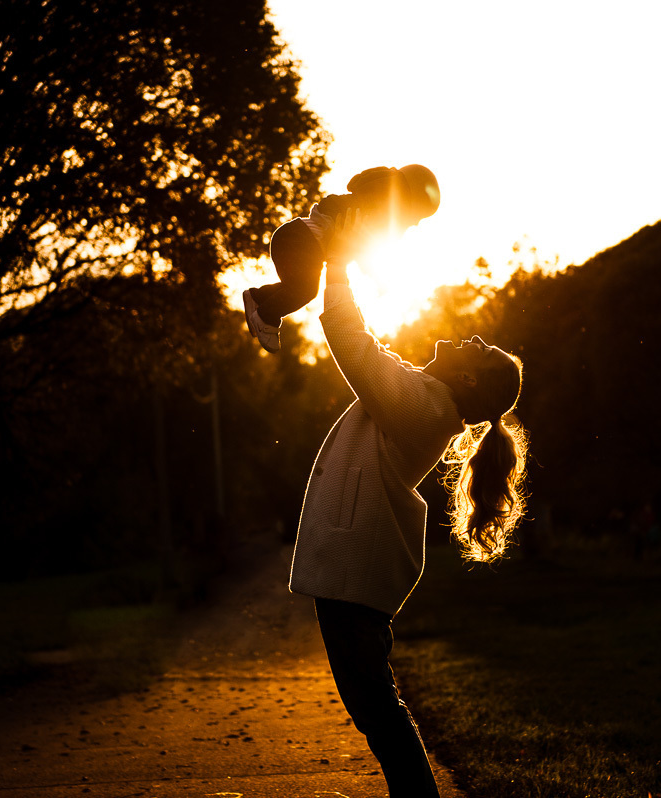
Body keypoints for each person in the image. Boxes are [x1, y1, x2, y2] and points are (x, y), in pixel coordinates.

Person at [287, 210, 528, 798]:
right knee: (374, 703)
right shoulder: (425, 397)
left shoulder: (424, 408)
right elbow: (374, 350)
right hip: (354, 574)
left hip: (353, 575)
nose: (469, 337)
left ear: (470, 381)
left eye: (479, 347)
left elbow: (351, 341)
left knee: (375, 706)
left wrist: (337, 260)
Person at [244, 164, 441, 353]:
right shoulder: (370, 215)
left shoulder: (361, 203)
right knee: (306, 290)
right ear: (408, 201)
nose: (415, 223)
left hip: (294, 236)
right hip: (300, 242)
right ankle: (265, 317)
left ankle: (257, 298)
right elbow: (364, 250)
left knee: (298, 287)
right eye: (418, 216)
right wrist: (379, 279)